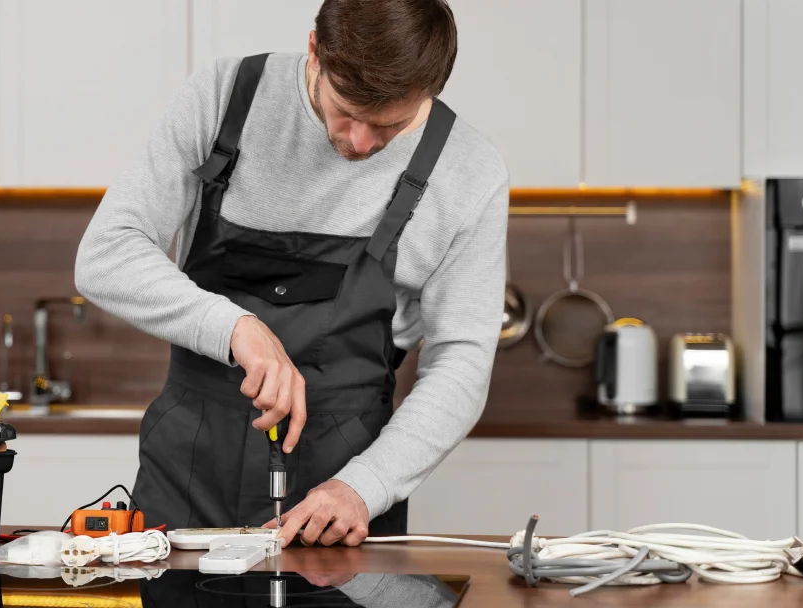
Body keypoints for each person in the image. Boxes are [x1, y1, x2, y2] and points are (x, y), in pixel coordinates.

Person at [75, 0, 507, 549]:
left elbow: (462, 360)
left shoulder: (469, 170)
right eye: (346, 110)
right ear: (315, 51)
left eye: (391, 125)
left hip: (339, 493)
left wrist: (365, 485)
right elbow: (105, 253)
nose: (361, 143)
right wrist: (237, 328)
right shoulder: (224, 97)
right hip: (186, 466)